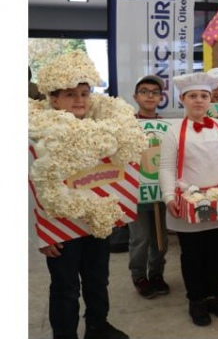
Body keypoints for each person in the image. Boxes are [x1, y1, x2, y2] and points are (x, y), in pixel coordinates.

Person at [29, 52, 129, 339]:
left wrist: (117, 210)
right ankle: (65, 334)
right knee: (65, 287)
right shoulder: (37, 134)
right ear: (54, 99)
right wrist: (42, 236)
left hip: (96, 221)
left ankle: (98, 326)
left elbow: (117, 177)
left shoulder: (104, 132)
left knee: (98, 280)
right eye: (70, 94)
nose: (79, 100)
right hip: (59, 228)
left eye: (84, 93)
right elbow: (30, 190)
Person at [159, 72, 218, 327]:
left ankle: (214, 295)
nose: (199, 100)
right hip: (189, 202)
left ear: (210, 99)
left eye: (204, 95)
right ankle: (196, 300)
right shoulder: (173, 131)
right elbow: (166, 168)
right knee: (192, 255)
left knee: (217, 253)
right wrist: (168, 196)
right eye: (193, 96)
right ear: (183, 99)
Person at [129, 75, 170, 299]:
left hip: (161, 191)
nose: (150, 96)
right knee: (140, 238)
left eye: (155, 92)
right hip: (136, 193)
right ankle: (139, 275)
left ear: (161, 98)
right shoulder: (127, 126)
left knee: (160, 239)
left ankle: (156, 273)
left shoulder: (168, 127)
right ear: (136, 97)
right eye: (144, 92)